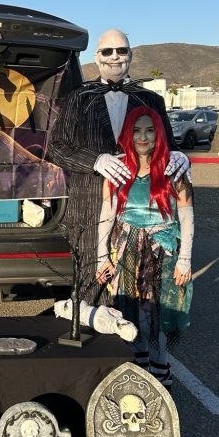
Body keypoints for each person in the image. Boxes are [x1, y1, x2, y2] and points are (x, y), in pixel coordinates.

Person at [48, 28, 190, 306]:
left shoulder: (150, 100)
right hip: (90, 202)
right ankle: (91, 335)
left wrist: (180, 157)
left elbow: (167, 146)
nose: (115, 57)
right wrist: (95, 160)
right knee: (93, 273)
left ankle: (133, 337)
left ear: (130, 55)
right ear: (97, 57)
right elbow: (55, 147)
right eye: (107, 51)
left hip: (139, 209)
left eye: (121, 50)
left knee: (138, 278)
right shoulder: (79, 98)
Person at [95, 106, 193, 387]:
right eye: (137, 130)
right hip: (126, 251)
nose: (143, 136)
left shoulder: (174, 168)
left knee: (158, 314)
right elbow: (106, 215)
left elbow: (186, 216)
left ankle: (161, 376)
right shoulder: (116, 171)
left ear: (158, 134)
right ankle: (137, 377)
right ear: (128, 134)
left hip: (164, 253)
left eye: (150, 130)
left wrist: (184, 259)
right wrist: (102, 257)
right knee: (132, 313)